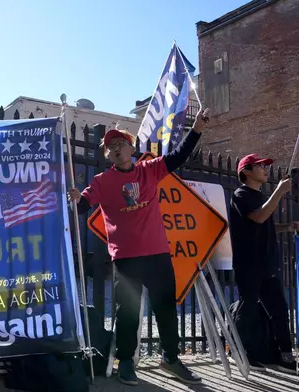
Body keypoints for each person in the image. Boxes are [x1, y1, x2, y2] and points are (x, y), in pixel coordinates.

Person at [68, 108, 211, 386]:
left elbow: (177, 156)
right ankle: (126, 363)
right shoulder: (102, 181)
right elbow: (83, 205)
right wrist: (76, 200)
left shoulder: (149, 169)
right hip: (127, 258)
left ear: (131, 148)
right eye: (110, 148)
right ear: (107, 155)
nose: (116, 149)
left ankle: (171, 358)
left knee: (166, 309)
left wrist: (196, 130)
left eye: (120, 144)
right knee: (128, 313)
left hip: (158, 253)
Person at [228, 154, 299, 378]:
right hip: (249, 263)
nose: (265, 169)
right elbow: (258, 217)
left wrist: (286, 226)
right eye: (260, 166)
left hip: (267, 262)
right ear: (246, 171)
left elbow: (264, 222)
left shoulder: (261, 196)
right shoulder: (241, 195)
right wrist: (279, 192)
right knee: (248, 306)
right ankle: (237, 351)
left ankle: (286, 358)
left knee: (279, 310)